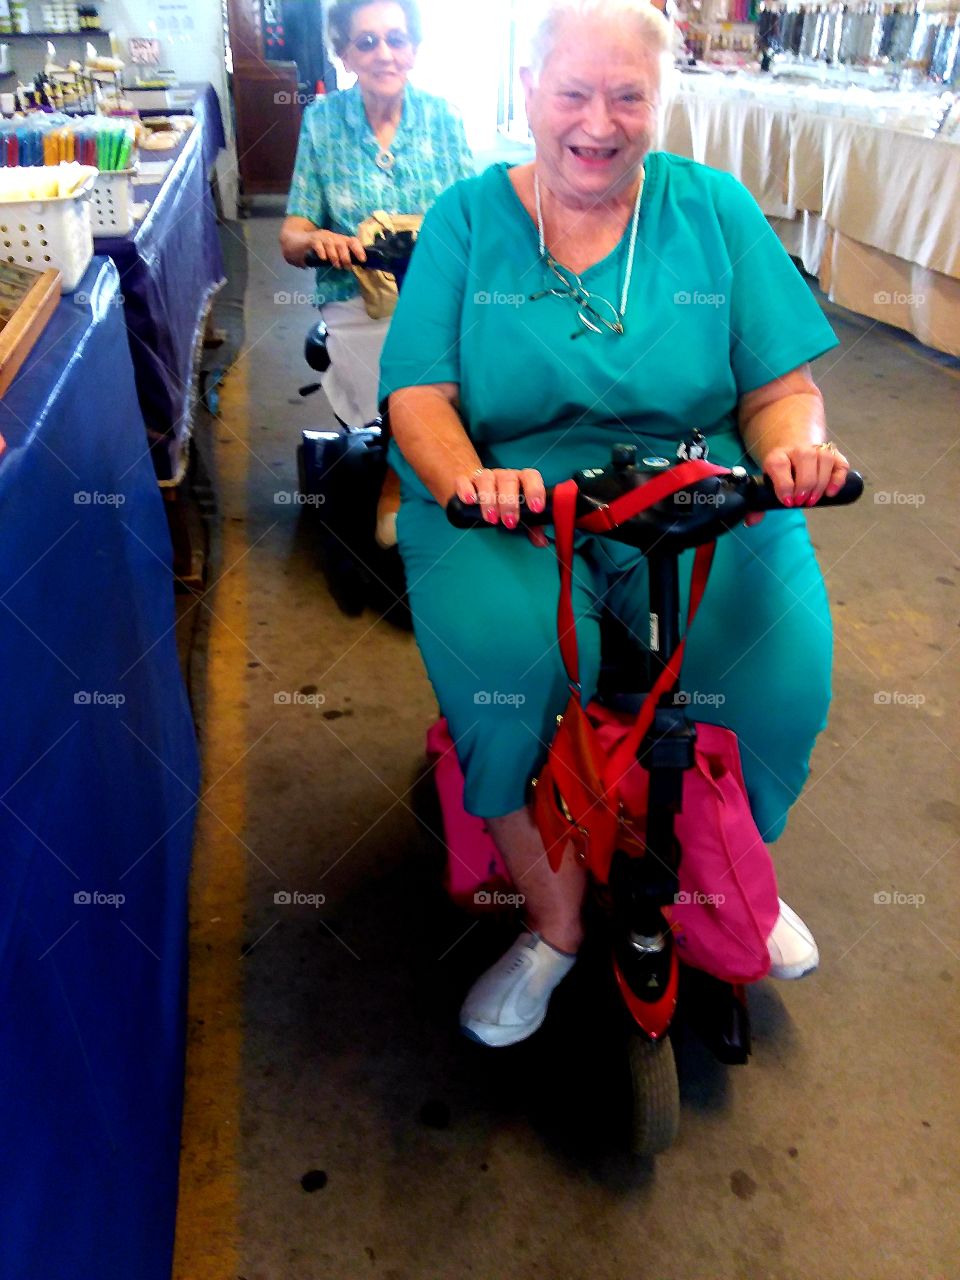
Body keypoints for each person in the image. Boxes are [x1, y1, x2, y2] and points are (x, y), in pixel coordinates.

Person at [381, 0, 851, 1048]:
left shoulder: (714, 211)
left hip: (690, 489)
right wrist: (466, 480)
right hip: (511, 500)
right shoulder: (466, 218)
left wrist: (790, 444)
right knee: (514, 672)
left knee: (774, 668)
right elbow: (417, 395)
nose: (598, 121)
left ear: (660, 105)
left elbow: (781, 383)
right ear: (528, 97)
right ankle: (552, 925)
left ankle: (727, 877)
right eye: (573, 93)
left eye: (628, 95)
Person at [280, 0, 474, 543]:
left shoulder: (445, 118)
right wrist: (316, 237)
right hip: (357, 297)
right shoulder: (322, 123)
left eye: (396, 39)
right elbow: (291, 238)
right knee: (396, 360)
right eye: (366, 42)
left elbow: (476, 218)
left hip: (440, 293)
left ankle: (428, 470)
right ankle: (397, 476)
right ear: (344, 53)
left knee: (478, 354)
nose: (383, 53)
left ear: (414, 48)